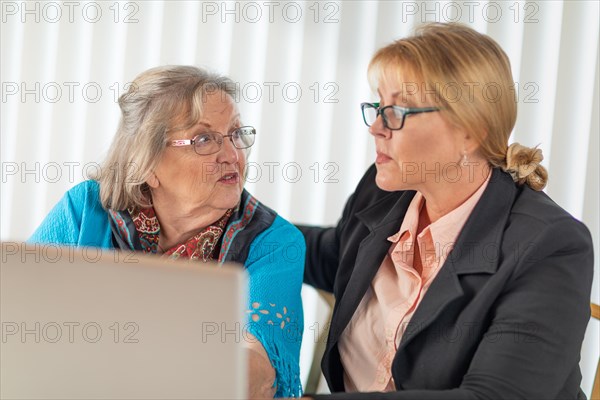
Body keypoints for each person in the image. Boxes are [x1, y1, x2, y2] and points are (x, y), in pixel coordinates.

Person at [299, 23, 593, 399]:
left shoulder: (549, 244)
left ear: (472, 131)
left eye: (397, 110)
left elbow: (495, 396)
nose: (375, 127)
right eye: (377, 106)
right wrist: (226, 213)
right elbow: (333, 256)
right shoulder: (385, 188)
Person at [30, 65, 304, 398]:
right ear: (148, 164)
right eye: (204, 139)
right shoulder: (86, 210)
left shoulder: (273, 243)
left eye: (235, 134)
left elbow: (258, 371)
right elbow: (21, 321)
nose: (232, 155)